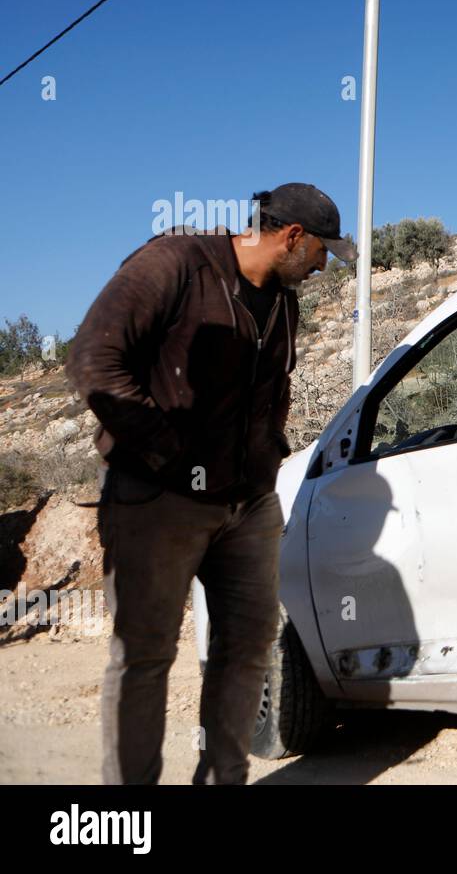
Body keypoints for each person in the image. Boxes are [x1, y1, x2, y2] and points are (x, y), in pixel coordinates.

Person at [65, 183, 356, 784]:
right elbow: (94, 359)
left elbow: (274, 389)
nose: (325, 264)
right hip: (158, 499)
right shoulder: (175, 263)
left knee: (249, 649)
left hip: (247, 503)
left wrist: (269, 454)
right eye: (322, 250)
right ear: (291, 236)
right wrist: (163, 452)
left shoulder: (282, 298)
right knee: (145, 657)